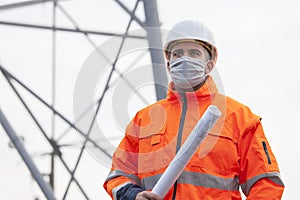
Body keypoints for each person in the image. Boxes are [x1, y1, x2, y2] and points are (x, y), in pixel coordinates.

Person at [103, 20, 284, 200]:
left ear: (209, 65)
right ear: (168, 64)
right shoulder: (144, 120)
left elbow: (266, 185)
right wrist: (134, 196)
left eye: (194, 53)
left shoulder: (240, 118)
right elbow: (118, 177)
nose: (184, 59)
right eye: (178, 53)